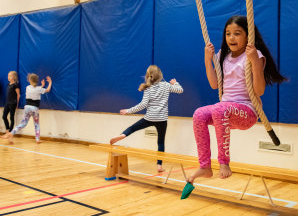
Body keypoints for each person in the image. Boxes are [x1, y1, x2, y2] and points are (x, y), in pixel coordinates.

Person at [189, 15, 286, 182]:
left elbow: (259, 90)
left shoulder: (254, 55)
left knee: (220, 108)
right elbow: (214, 84)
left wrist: (255, 61)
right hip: (225, 113)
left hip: (247, 112)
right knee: (199, 114)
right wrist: (207, 60)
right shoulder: (223, 56)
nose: (231, 38)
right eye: (228, 33)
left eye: (237, 33)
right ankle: (205, 166)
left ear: (248, 36)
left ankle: (224, 163)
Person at [110, 65, 183, 172]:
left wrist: (128, 111)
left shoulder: (148, 88)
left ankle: (122, 135)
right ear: (160, 75)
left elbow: (143, 105)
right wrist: (175, 83)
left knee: (133, 128)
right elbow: (180, 90)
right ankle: (159, 166)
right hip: (162, 119)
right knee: (161, 142)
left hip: (150, 117)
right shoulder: (166, 85)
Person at [7, 74, 52, 144]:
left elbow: (35, 90)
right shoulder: (39, 89)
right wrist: (50, 82)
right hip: (34, 108)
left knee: (23, 123)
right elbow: (47, 90)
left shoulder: (27, 87)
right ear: (37, 81)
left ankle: (12, 132)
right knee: (36, 124)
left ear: (29, 80)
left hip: (27, 107)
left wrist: (42, 85)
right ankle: (37, 139)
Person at [1, 71, 20, 138]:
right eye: (8, 76)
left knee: (11, 117)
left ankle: (10, 133)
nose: (8, 77)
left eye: (10, 76)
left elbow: (18, 95)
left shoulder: (16, 85)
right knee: (4, 116)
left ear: (14, 77)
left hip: (13, 103)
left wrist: (17, 103)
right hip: (7, 103)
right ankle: (7, 130)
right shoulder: (8, 85)